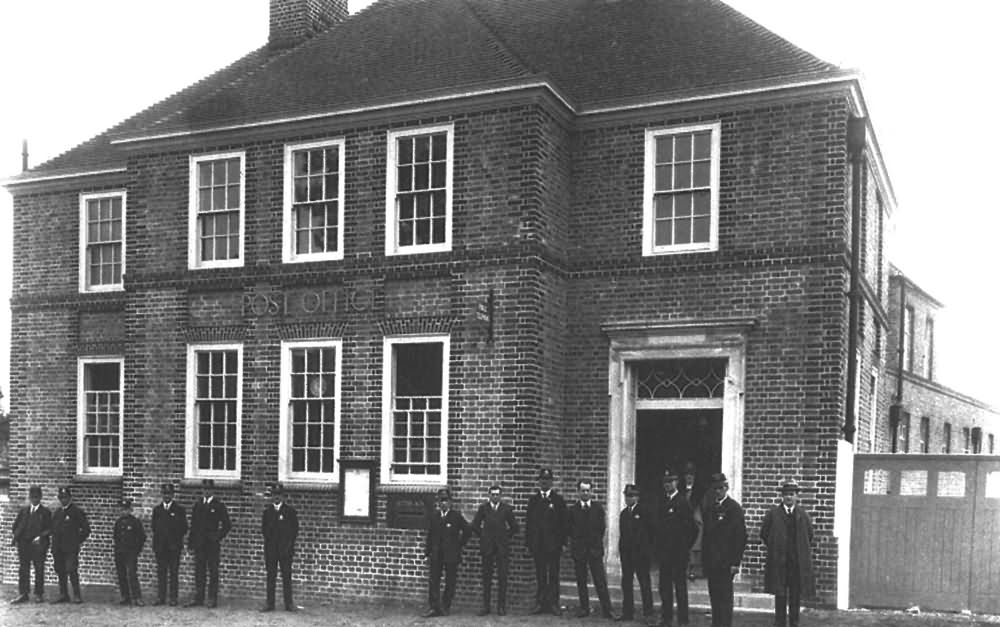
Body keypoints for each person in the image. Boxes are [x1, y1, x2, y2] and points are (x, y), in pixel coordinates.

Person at [760, 480, 815, 627]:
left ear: (797, 496)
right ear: (782, 497)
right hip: (779, 561)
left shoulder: (803, 515)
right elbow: (764, 533)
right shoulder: (773, 514)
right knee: (780, 594)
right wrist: (776, 548)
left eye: (792, 494)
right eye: (786, 495)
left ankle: (794, 622)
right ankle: (779, 622)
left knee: (795, 595)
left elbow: (809, 535)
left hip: (795, 563)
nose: (789, 498)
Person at [567, 479, 616, 619]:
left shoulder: (597, 509)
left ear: (591, 491)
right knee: (581, 581)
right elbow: (569, 529)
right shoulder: (573, 510)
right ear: (578, 492)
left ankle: (608, 609)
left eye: (588, 490)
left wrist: (594, 543)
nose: (585, 493)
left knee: (600, 581)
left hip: (594, 550)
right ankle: (584, 608)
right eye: (583, 490)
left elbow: (601, 528)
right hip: (579, 550)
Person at [702, 473, 747, 627]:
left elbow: (740, 537)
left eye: (721, 488)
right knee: (714, 595)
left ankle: (725, 624)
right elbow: (706, 537)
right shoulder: (709, 508)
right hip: (712, 560)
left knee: (725, 597)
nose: (718, 491)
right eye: (715, 488)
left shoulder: (734, 508)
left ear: (726, 488)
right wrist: (705, 559)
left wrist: (736, 562)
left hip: (727, 561)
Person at [654, 468, 696, 626]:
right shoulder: (662, 501)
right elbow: (657, 527)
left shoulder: (682, 502)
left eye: (670, 481)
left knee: (680, 587)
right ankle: (666, 618)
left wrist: (684, 547)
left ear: (677, 482)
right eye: (665, 482)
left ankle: (683, 619)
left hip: (678, 554)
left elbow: (693, 529)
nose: (667, 485)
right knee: (664, 587)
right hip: (665, 553)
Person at [470, 484, 519, 616]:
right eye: (493, 494)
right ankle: (486, 606)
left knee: (502, 577)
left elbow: (515, 527)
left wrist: (505, 536)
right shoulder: (483, 509)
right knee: (487, 577)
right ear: (489, 495)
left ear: (500, 496)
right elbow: (475, 525)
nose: (495, 496)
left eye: (497, 494)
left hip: (502, 548)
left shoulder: (506, 509)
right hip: (487, 547)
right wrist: (484, 535)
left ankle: (501, 607)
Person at [422, 488, 471, 617]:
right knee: (434, 581)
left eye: (446, 500)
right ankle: (434, 607)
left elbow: (467, 531)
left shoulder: (456, 516)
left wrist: (459, 545)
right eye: (441, 501)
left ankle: (445, 606)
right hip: (436, 554)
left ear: (450, 502)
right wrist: (427, 553)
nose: (443, 503)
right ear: (438, 503)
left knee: (450, 581)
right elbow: (430, 535)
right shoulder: (435, 517)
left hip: (451, 555)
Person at [526, 468, 567, 616]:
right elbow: (529, 523)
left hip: (553, 546)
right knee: (541, 575)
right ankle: (540, 603)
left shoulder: (558, 500)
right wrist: (529, 543)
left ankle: (554, 604)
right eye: (542, 480)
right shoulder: (533, 500)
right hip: (538, 545)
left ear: (551, 482)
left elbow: (563, 524)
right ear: (539, 481)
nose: (544, 482)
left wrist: (562, 543)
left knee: (554, 575)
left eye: (547, 480)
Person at [186, 478, 232, 608]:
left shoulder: (218, 505)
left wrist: (217, 536)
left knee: (213, 571)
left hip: (212, 545)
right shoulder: (198, 505)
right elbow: (193, 526)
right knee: (199, 571)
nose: (206, 492)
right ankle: (199, 598)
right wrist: (191, 543)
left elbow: (227, 525)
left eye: (209, 489)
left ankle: (212, 598)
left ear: (213, 490)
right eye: (204, 489)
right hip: (199, 544)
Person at [617, 483, 654, 622]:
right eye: (627, 496)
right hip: (627, 556)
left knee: (644, 583)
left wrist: (646, 551)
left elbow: (650, 534)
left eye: (631, 496)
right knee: (626, 583)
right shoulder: (624, 514)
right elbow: (623, 535)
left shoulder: (644, 512)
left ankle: (648, 614)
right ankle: (627, 612)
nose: (628, 499)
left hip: (641, 555)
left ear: (637, 497)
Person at [261, 483, 299, 612]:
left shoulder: (290, 512)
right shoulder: (267, 513)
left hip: (285, 550)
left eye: (279, 495)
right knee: (271, 576)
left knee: (286, 576)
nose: (276, 498)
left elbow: (294, 530)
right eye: (274, 495)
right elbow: (264, 531)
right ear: (271, 496)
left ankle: (288, 603)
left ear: (283, 496)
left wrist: (288, 546)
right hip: (271, 550)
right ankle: (270, 603)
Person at [10, 485, 51, 604]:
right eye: (32, 497)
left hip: (38, 545)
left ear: (41, 497)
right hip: (24, 545)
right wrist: (18, 537)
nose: (34, 499)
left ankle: (39, 594)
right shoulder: (24, 511)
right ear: (29, 497)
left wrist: (41, 537)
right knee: (23, 569)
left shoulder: (45, 512)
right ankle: (23, 593)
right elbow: (16, 526)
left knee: (39, 569)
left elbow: (50, 529)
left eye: (37, 497)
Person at [50, 486, 90, 604]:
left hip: (70, 548)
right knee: (60, 571)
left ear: (70, 498)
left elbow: (86, 530)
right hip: (58, 548)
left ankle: (77, 595)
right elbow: (53, 530)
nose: (63, 500)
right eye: (61, 498)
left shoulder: (76, 512)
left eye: (65, 497)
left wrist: (76, 541)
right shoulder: (57, 513)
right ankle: (63, 594)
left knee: (72, 570)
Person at [151, 482, 187, 606]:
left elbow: (184, 528)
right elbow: (154, 527)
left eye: (169, 494)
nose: (167, 496)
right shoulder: (157, 510)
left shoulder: (179, 510)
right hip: (161, 547)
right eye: (165, 493)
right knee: (161, 572)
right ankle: (161, 597)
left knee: (173, 572)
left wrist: (174, 539)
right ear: (162, 495)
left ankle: (173, 598)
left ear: (173, 495)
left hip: (174, 547)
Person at [113, 498, 147, 606]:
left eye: (126, 509)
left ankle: (137, 597)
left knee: (132, 574)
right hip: (120, 552)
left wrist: (136, 550)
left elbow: (141, 537)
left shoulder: (135, 522)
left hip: (131, 553)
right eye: (122, 509)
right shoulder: (118, 523)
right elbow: (116, 537)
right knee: (121, 575)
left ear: (130, 510)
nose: (124, 511)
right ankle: (125, 596)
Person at [680, 461, 704, 580]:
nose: (689, 477)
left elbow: (700, 504)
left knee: (695, 545)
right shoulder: (681, 490)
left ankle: (693, 570)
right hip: (684, 520)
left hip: (695, 519)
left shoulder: (699, 490)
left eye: (691, 475)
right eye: (687, 475)